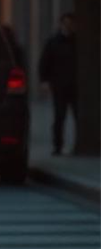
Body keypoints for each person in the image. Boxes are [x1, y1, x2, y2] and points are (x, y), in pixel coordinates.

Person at [38, 13, 78, 155]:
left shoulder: (77, 42)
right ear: (61, 24)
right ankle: (57, 146)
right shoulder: (54, 42)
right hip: (59, 85)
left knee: (78, 115)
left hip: (76, 85)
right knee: (59, 116)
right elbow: (45, 61)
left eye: (71, 24)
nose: (68, 26)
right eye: (66, 23)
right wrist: (44, 81)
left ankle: (77, 144)